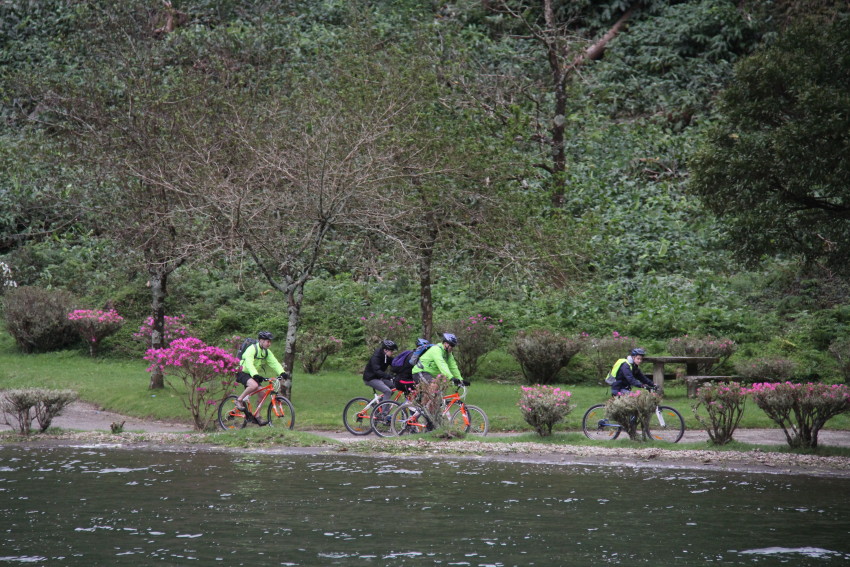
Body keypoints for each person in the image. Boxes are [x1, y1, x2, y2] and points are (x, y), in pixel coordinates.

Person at [235, 331, 288, 421]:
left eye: (270, 341)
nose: (269, 344)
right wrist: (255, 375)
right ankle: (239, 400)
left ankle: (257, 416)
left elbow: (274, 363)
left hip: (252, 373)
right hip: (241, 371)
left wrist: (282, 372)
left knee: (262, 393)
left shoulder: (266, 352)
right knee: (254, 385)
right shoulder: (252, 349)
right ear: (261, 341)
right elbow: (249, 363)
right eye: (268, 341)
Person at [363, 339, 398, 403]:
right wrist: (390, 376)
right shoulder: (376, 357)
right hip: (371, 378)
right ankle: (384, 412)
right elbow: (377, 371)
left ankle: (379, 405)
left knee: (394, 387)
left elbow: (395, 365)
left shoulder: (387, 356)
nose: (392, 352)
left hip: (379, 377)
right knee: (387, 391)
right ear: (385, 350)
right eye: (391, 351)